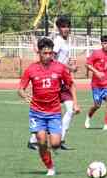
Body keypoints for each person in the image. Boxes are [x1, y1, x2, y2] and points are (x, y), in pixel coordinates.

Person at [18, 38, 80, 175]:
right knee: (41, 141)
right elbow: (21, 88)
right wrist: (23, 95)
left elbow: (71, 84)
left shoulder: (59, 67)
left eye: (50, 53)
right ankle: (50, 167)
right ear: (39, 52)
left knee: (56, 144)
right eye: (45, 53)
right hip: (37, 112)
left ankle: (50, 144)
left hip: (54, 112)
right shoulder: (31, 69)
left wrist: (75, 103)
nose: (48, 56)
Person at [28, 15, 78, 150]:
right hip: (55, 82)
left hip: (63, 81)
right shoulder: (58, 41)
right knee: (51, 110)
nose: (66, 29)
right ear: (59, 28)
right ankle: (35, 139)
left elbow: (60, 61)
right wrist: (70, 67)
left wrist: (69, 65)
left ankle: (59, 139)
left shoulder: (65, 41)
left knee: (70, 109)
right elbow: (53, 61)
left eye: (67, 26)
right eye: (63, 27)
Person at [84, 35, 107, 131]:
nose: (106, 45)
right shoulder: (96, 53)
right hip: (96, 85)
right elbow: (87, 64)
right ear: (101, 44)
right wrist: (96, 72)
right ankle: (88, 117)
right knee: (97, 105)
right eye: (104, 43)